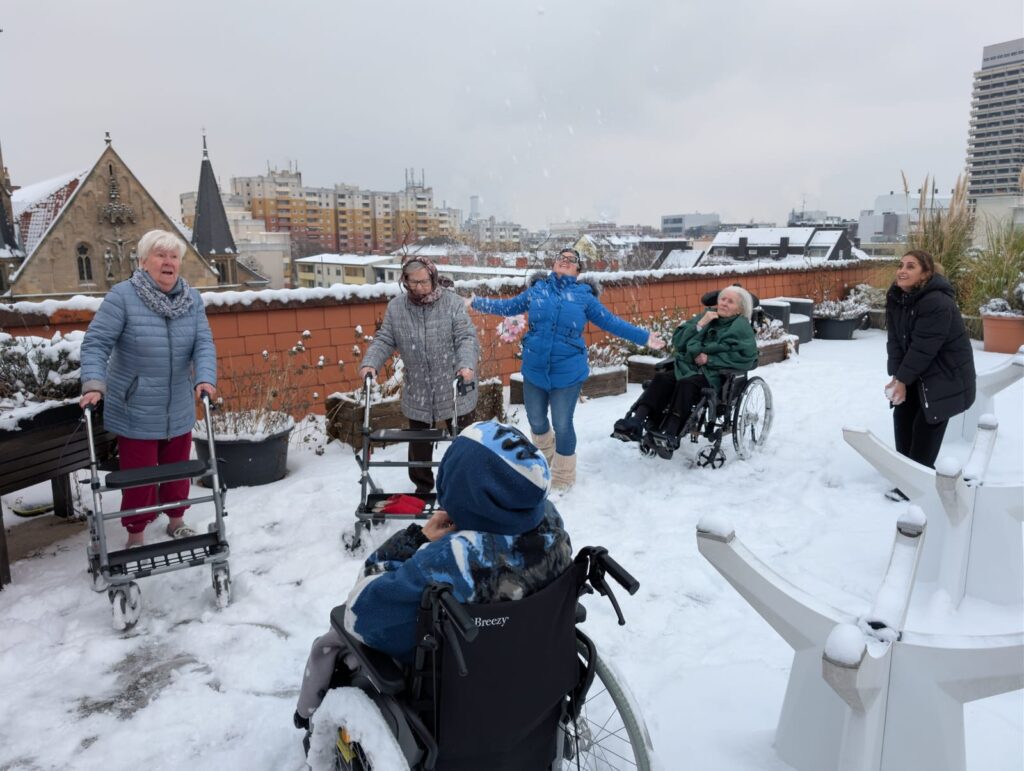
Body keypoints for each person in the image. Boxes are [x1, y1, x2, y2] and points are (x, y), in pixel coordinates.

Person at [294, 419, 572, 722]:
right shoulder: (551, 525)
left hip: (456, 697)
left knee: (335, 635)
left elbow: (362, 613)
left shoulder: (450, 561)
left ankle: (306, 714)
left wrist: (416, 539)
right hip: (530, 672)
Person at [466, 247, 664, 490]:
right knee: (536, 420)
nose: (566, 261)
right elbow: (508, 307)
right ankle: (545, 457)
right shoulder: (537, 290)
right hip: (535, 368)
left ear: (578, 270)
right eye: (561, 257)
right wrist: (475, 302)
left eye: (572, 260)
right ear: (553, 263)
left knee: (562, 423)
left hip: (568, 371)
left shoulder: (584, 297)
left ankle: (562, 477)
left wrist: (644, 337)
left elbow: (611, 322)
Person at [80, 229, 216, 547]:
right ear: (143, 261)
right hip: (135, 406)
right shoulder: (122, 297)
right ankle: (136, 533)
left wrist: (205, 378)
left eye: (173, 256)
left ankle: (177, 520)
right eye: (160, 255)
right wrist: (94, 384)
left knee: (179, 469)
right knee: (138, 476)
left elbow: (203, 343)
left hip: (178, 403)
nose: (168, 262)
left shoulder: (192, 300)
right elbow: (97, 343)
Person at [358, 256, 479, 495]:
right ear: (405, 281)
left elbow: (466, 337)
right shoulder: (397, 307)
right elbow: (385, 339)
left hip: (455, 387)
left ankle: (469, 488)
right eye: (413, 282)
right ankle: (423, 489)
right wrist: (370, 363)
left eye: (424, 281)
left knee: (467, 443)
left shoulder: (452, 303)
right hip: (419, 389)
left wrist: (466, 365)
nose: (419, 287)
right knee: (419, 445)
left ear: (433, 278)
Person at [612, 285, 758, 459]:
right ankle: (636, 421)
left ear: (740, 308)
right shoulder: (706, 316)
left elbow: (747, 357)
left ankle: (672, 430)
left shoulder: (741, 328)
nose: (724, 303)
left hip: (715, 374)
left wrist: (710, 360)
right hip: (688, 365)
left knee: (687, 383)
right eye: (722, 299)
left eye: (730, 301)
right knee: (663, 378)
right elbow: (679, 343)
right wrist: (700, 324)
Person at [884, 249, 976, 500]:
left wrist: (904, 379)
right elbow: (896, 340)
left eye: (911, 266)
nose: (902, 270)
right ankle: (910, 473)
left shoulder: (937, 301)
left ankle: (916, 481)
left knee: (927, 421)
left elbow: (924, 346)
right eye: (901, 265)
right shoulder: (897, 297)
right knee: (903, 414)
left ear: (926, 274)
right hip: (920, 368)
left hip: (946, 372)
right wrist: (897, 376)